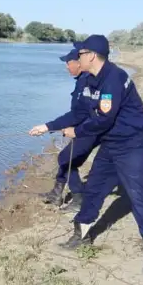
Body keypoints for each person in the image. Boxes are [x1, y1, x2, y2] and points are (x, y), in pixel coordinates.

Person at [44, 34, 143, 274]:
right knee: (95, 189)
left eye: (81, 54)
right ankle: (82, 235)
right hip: (111, 143)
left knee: (138, 194)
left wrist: (76, 132)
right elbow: (79, 113)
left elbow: (103, 117)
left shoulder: (114, 78)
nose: (77, 58)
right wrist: (49, 126)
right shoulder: (89, 80)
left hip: (133, 144)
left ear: (92, 56)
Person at [32, 47, 99, 211]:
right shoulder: (82, 80)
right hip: (84, 127)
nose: (66, 67)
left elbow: (81, 113)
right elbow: (79, 113)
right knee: (67, 158)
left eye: (68, 63)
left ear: (78, 63)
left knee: (66, 159)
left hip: (90, 130)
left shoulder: (87, 81)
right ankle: (56, 193)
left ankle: (78, 199)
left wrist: (48, 126)